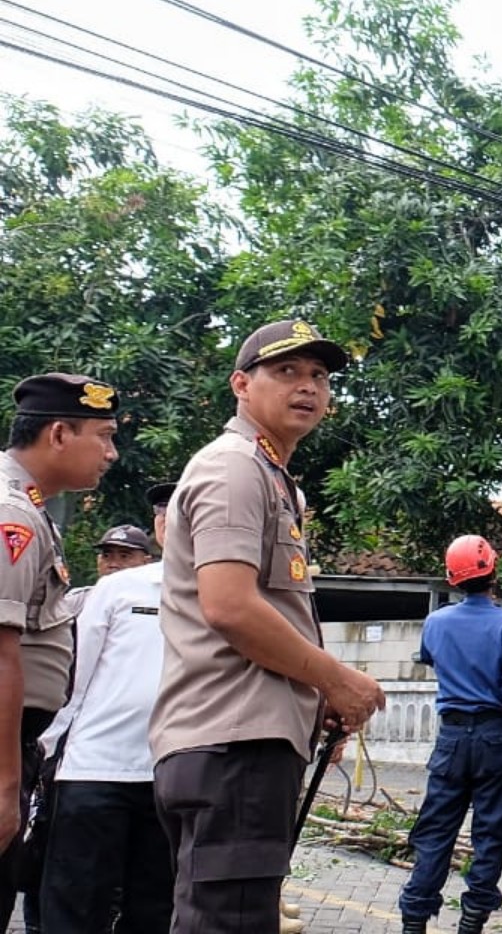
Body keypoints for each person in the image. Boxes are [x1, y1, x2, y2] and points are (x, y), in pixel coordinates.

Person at [149, 319, 388, 934]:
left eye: (318, 375)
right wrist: (337, 680)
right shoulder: (234, 469)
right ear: (241, 385)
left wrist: (314, 705)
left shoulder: (271, 476)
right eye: (286, 372)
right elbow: (230, 606)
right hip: (234, 746)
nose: (307, 386)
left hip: (245, 743)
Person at [0, 373, 120, 928]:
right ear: (58, 434)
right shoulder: (13, 516)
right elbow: (2, 656)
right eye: (105, 435)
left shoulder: (29, 508)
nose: (111, 453)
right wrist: (4, 784)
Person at [36, 477, 174, 933]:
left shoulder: (230, 595)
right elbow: (75, 679)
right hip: (96, 771)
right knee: (78, 904)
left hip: (174, 776)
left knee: (155, 908)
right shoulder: (119, 591)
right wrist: (47, 752)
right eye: (163, 514)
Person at [398, 535, 502, 934]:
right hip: (494, 739)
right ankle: (472, 922)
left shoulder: (436, 622)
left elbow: (431, 659)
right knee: (491, 832)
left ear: (451, 578)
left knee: (436, 830)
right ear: (493, 572)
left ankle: (413, 920)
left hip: (452, 738)